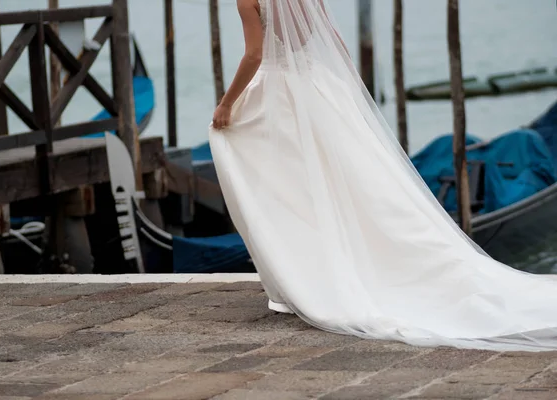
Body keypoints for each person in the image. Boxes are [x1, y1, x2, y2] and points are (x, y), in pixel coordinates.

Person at [209, 0, 557, 352]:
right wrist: (346, 96)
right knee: (331, 183)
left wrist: (226, 103)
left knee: (282, 184)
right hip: (317, 87)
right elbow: (335, 43)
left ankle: (300, 277)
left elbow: (254, 56)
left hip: (277, 97)